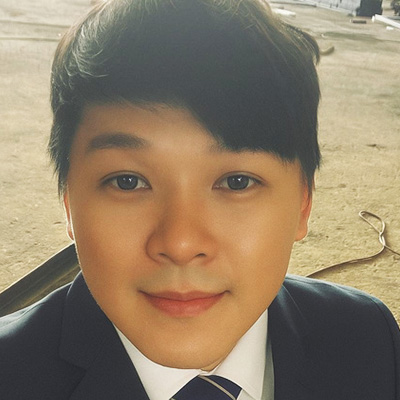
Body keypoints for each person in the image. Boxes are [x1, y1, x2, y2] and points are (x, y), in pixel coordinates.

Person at [0, 0, 399, 399]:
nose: (180, 243)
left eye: (237, 182)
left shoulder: (369, 341)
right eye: (127, 181)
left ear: (303, 202)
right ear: (69, 202)